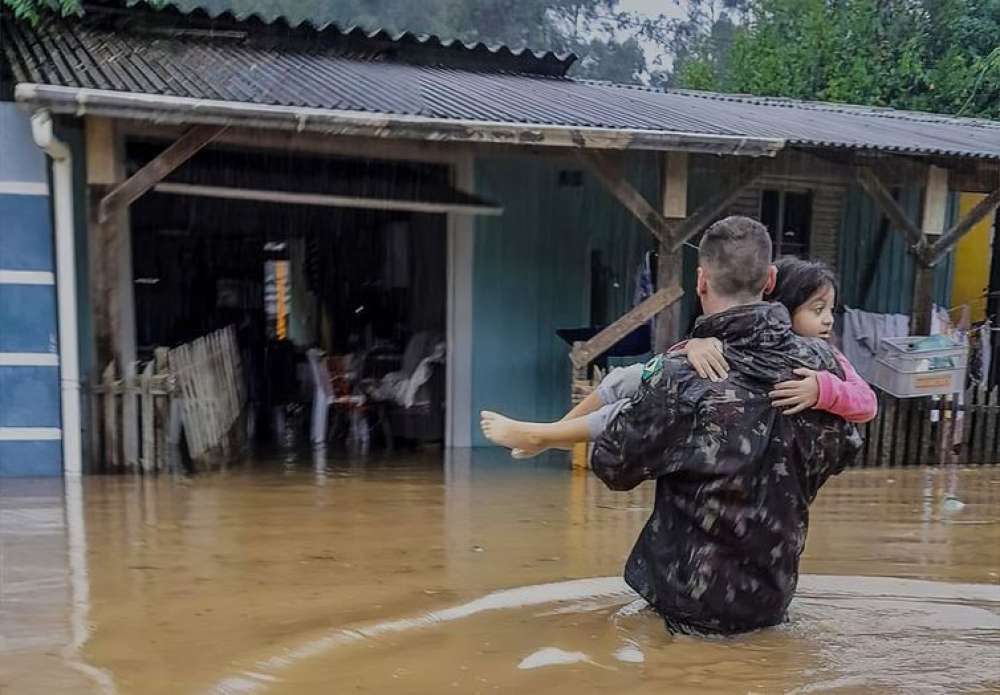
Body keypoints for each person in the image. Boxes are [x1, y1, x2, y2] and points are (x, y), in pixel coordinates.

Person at [480, 256, 876, 457]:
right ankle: (554, 435)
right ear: (779, 302)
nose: (827, 321)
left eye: (829, 311)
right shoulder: (736, 335)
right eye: (817, 309)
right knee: (626, 379)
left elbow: (867, 403)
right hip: (724, 421)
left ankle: (544, 437)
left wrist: (823, 390)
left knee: (633, 411)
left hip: (740, 433)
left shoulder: (825, 360)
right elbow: (676, 364)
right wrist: (694, 345)